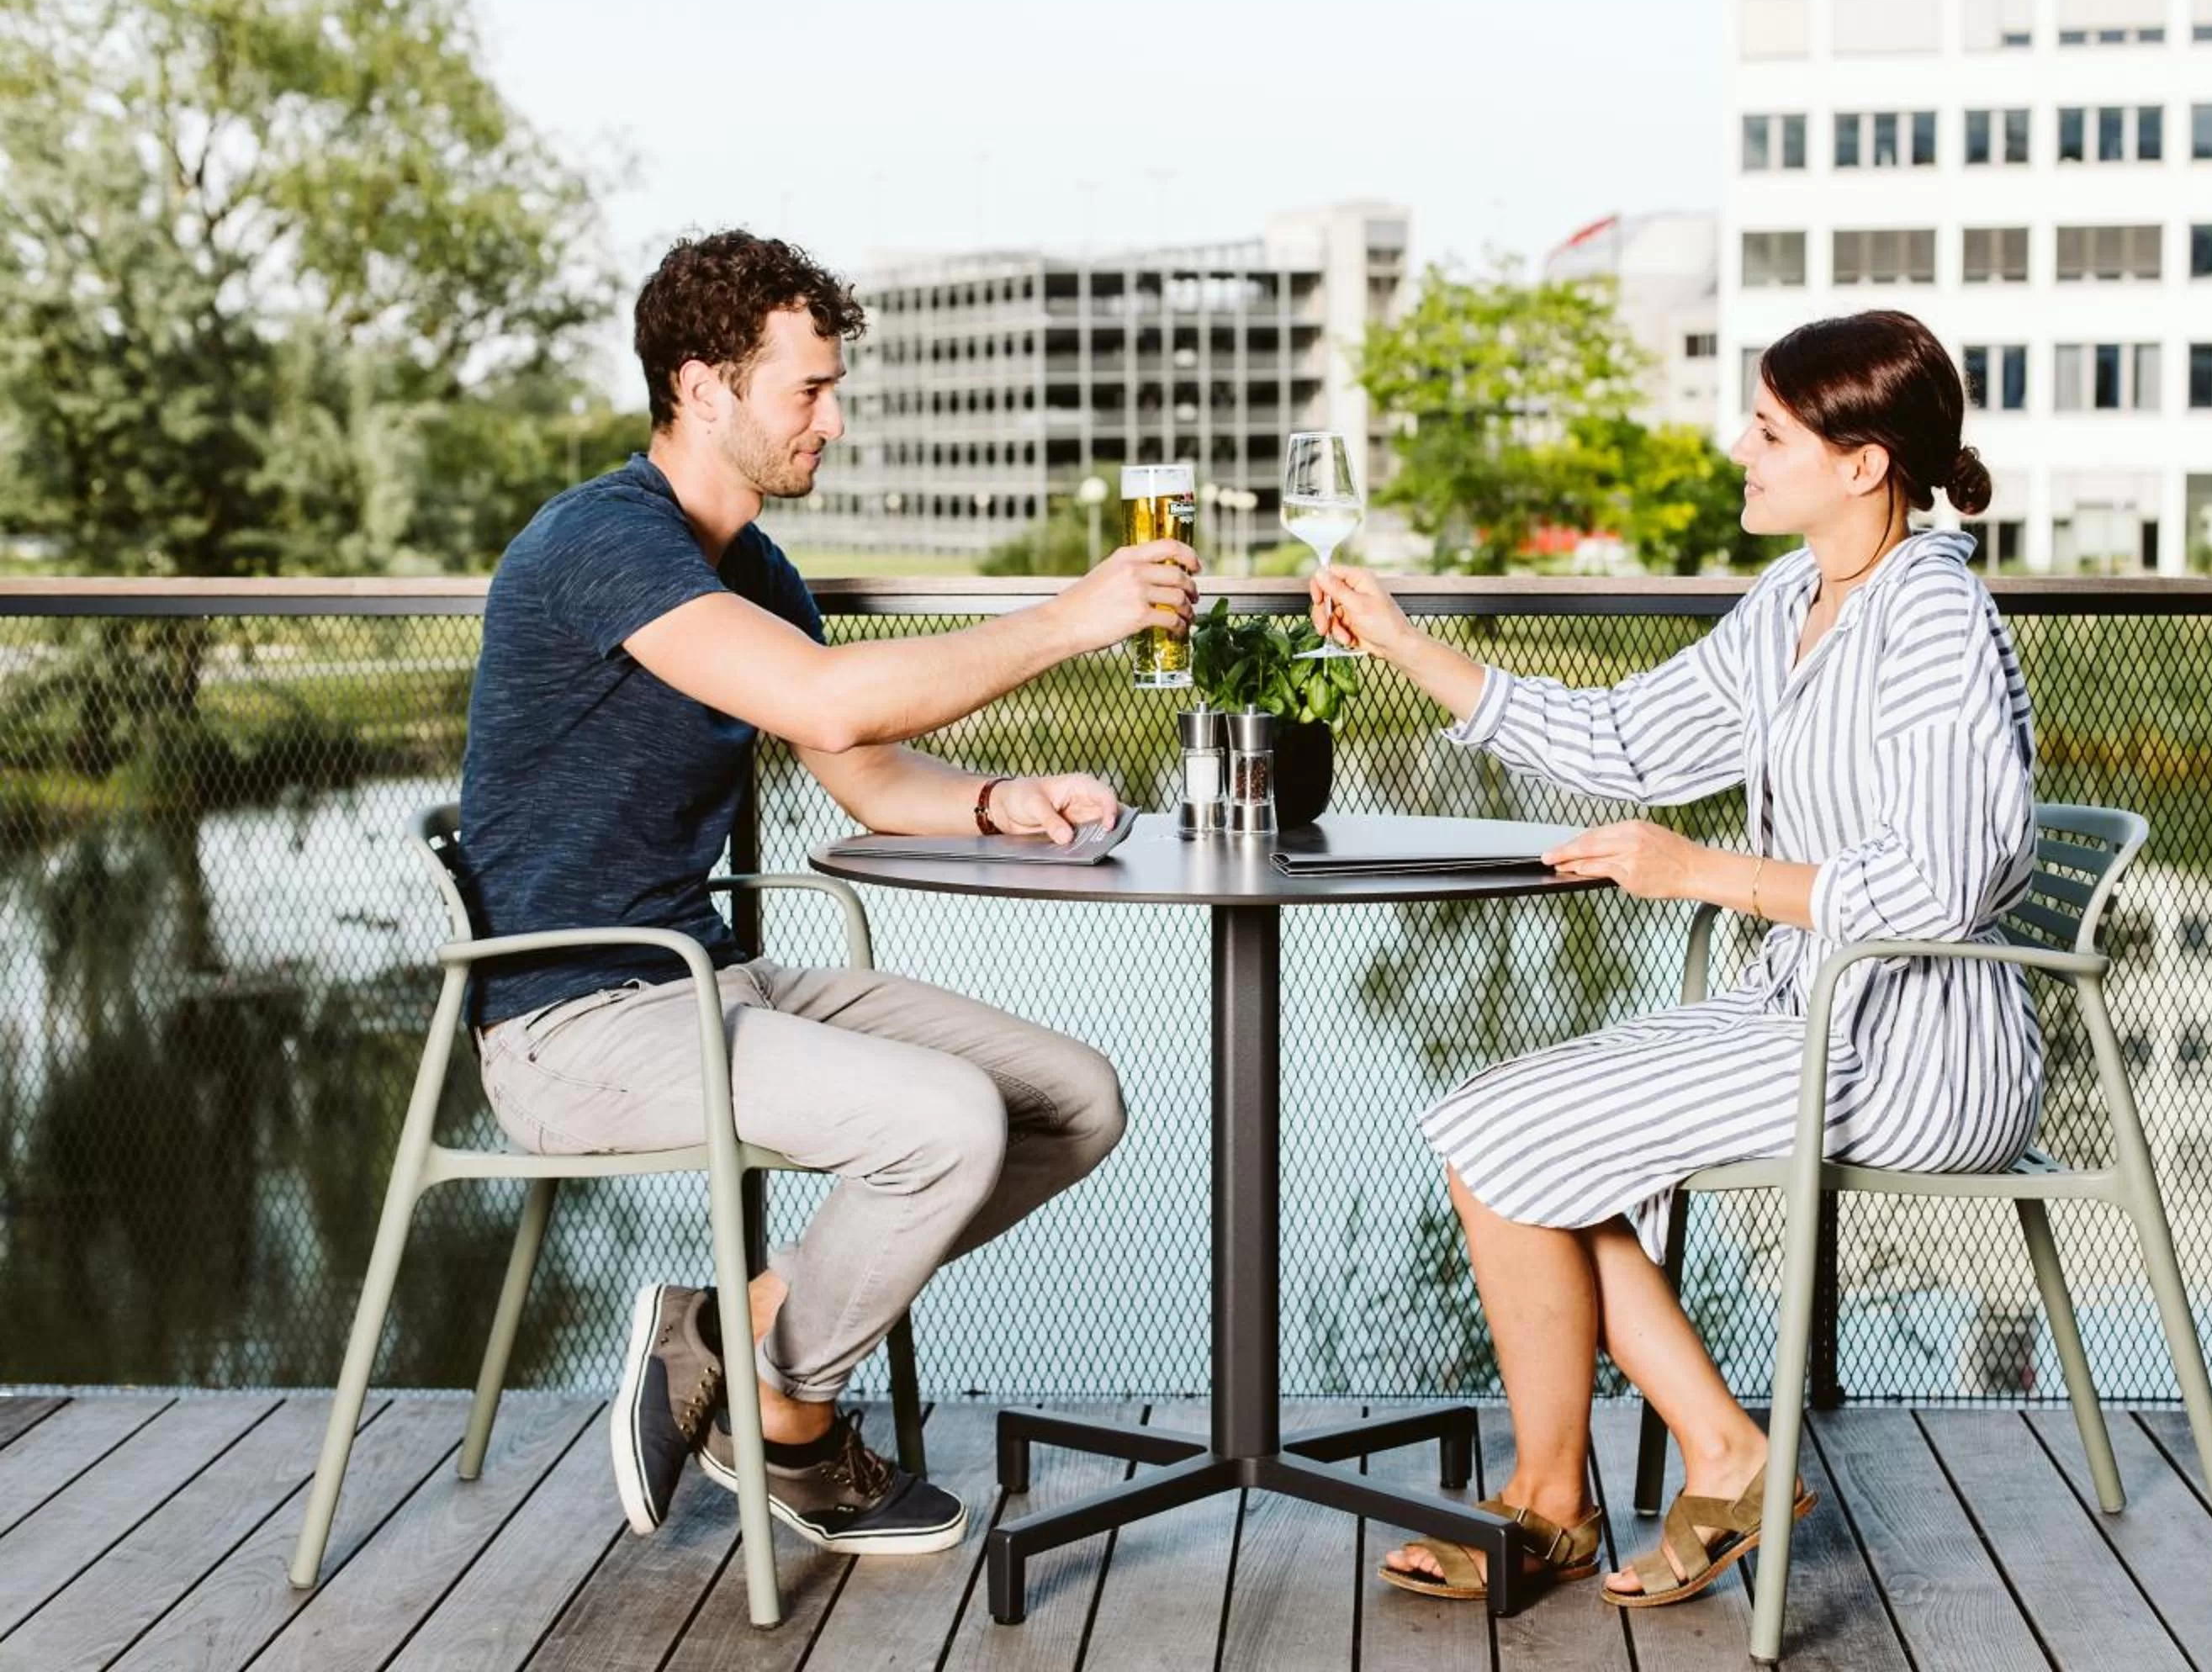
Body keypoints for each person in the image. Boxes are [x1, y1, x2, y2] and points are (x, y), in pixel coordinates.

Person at [458, 230, 1198, 1556]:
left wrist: (994, 801)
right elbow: (822, 694)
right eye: (808, 389)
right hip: (574, 1021)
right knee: (948, 1121)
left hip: (703, 975)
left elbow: (860, 770)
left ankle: (728, 1338)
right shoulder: (602, 541)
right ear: (703, 387)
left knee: (1071, 1100)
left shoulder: (749, 568)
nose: (834, 418)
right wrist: (1073, 618)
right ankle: (790, 1424)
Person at [1310, 310, 2039, 1608]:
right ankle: (1676, 1462)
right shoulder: (1792, 602)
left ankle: (1592, 1491)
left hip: (1919, 1045)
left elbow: (1946, 880)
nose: (1738, 451)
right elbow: (1625, 747)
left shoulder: (1933, 616)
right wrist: (1406, 644)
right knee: (1504, 1134)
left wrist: (1702, 873)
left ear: (1861, 462)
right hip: (1803, 1011)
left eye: (1767, 430)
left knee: (1502, 1141)